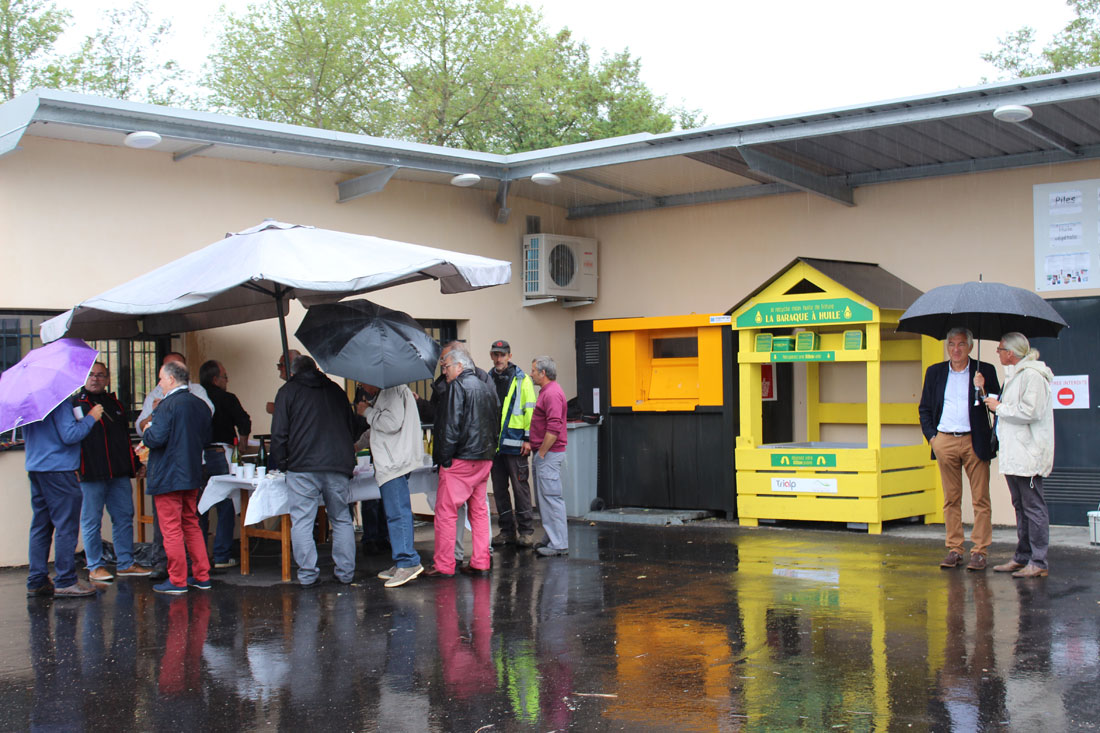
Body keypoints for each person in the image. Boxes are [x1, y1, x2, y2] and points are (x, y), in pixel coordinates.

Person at [270, 354, 357, 587]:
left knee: (302, 522)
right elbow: (351, 426)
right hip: (337, 464)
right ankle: (346, 573)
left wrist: (281, 463)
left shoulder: (288, 392)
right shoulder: (337, 390)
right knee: (341, 519)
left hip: (302, 466)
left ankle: (308, 575)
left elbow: (279, 433)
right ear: (316, 368)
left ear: (293, 371)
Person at [918, 327, 1000, 571]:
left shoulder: (984, 370)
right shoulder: (935, 372)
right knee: (951, 498)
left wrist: (982, 388)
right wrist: (933, 438)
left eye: (961, 344)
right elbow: (924, 408)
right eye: (951, 344)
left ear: (971, 347)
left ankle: (980, 551)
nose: (955, 349)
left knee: (980, 499)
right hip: (945, 439)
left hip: (974, 440)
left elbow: (997, 405)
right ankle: (954, 548)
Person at [983, 332, 1055, 579]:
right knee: (1021, 506)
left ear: (1011, 353)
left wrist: (999, 407)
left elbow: (1030, 412)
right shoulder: (1014, 376)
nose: (998, 353)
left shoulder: (1032, 376)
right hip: (1015, 454)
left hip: (1028, 455)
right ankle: (1023, 556)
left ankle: (1038, 560)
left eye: (1001, 349)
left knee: (1033, 507)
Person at [74, 361, 151, 582]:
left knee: (125, 516)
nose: (96, 379)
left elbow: (123, 439)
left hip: (118, 472)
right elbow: (71, 437)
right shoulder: (76, 403)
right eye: (91, 375)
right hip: (90, 471)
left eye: (101, 375)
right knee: (91, 520)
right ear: (84, 377)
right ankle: (95, 566)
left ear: (107, 379)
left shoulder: (114, 402)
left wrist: (135, 465)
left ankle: (126, 562)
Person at [141, 360, 213, 594]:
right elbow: (205, 437)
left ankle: (178, 580)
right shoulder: (200, 405)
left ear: (171, 379)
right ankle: (202, 575)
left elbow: (155, 439)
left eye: (161, 379)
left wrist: (148, 427)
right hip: (192, 471)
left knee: (170, 528)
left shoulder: (166, 405)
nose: (159, 383)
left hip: (167, 474)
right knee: (191, 523)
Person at [24, 396, 104, 597]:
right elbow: (70, 435)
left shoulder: (29, 402)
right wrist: (91, 418)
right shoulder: (58, 401)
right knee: (66, 526)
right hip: (59, 469)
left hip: (36, 467)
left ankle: (37, 579)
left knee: (41, 526)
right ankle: (66, 580)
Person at [428, 349, 499, 577]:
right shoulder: (486, 387)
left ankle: (444, 565)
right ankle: (481, 561)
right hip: (484, 458)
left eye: (446, 367)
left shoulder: (457, 387)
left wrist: (444, 459)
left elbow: (449, 426)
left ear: (460, 366)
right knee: (478, 511)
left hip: (461, 459)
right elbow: (495, 422)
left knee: (446, 512)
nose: (445, 372)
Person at [358, 381, 426, 588]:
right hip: (392, 460)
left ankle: (408, 562)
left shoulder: (391, 390)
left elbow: (391, 423)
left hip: (394, 461)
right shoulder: (391, 391)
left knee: (398, 512)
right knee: (395, 512)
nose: (361, 386)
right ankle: (402, 560)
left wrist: (367, 412)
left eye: (362, 382)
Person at [198, 359, 251, 569]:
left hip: (197, 455)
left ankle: (199, 556)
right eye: (225, 377)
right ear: (215, 379)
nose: (227, 381)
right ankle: (221, 555)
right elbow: (244, 421)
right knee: (226, 504)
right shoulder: (227, 398)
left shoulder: (195, 398)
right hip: (221, 454)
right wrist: (244, 443)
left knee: (200, 506)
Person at [487, 339, 537, 548]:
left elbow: (530, 411)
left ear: (509, 356)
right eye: (495, 355)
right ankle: (507, 531)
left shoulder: (521, 379)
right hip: (495, 445)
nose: (498, 359)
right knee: (499, 489)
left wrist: (527, 439)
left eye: (502, 355)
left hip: (516, 444)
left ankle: (526, 532)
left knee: (520, 489)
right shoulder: (488, 379)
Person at [530, 356, 569, 557]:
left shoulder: (551, 394)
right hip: (546, 453)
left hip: (548, 454)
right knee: (546, 497)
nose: (531, 374)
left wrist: (542, 453)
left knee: (551, 497)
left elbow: (554, 427)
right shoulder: (548, 392)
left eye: (534, 371)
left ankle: (559, 543)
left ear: (543, 373)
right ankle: (552, 537)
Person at [136, 352, 213, 435]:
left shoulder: (197, 390)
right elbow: (140, 429)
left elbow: (207, 416)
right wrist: (155, 413)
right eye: (168, 368)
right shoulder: (155, 394)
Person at [266, 349, 301, 414]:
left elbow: (299, 414)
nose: (278, 368)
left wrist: (275, 409)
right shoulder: (298, 385)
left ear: (292, 365)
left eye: (281, 365)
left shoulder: (294, 388)